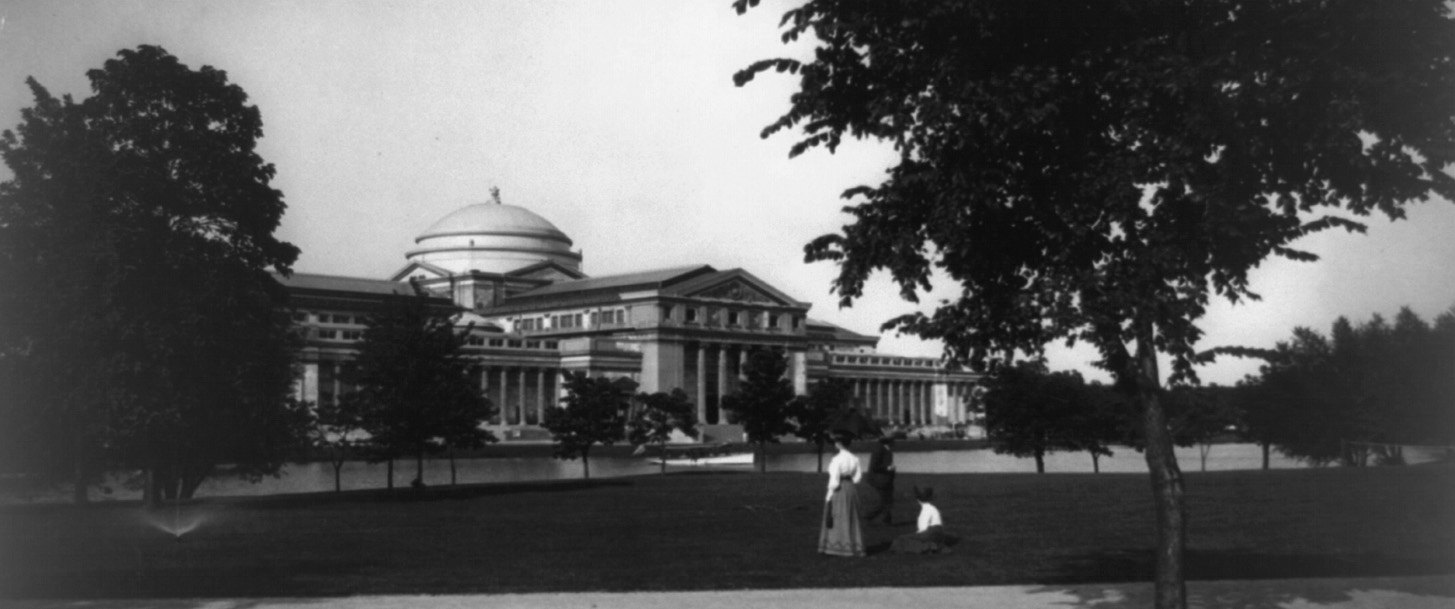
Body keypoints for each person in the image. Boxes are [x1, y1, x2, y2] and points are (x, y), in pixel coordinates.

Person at [817, 434, 865, 557]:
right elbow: (858, 478)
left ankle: (839, 547)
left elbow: (834, 480)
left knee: (837, 515)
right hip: (851, 488)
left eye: (836, 442)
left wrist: (829, 494)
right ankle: (854, 545)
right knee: (851, 515)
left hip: (840, 488)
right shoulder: (855, 458)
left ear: (839, 444)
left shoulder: (837, 459)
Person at [890, 486, 956, 554]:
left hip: (930, 533)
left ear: (918, 500)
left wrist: (916, 535)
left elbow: (923, 529)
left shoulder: (925, 510)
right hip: (939, 534)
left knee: (901, 539)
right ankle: (933, 546)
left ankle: (927, 547)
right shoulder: (933, 509)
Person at [863, 436, 896, 525]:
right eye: (892, 441)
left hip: (886, 479)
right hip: (880, 480)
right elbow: (874, 466)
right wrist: (888, 468)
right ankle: (868, 516)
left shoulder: (887, 450)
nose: (894, 443)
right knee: (883, 501)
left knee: (888, 500)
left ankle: (887, 520)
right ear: (888, 442)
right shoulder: (879, 450)